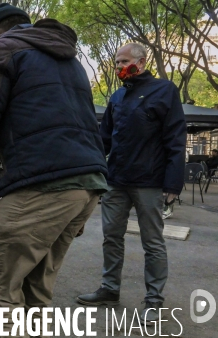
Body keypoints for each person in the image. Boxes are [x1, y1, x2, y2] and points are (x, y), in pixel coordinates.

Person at [0, 4, 108, 334]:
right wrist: (78, 200)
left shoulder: (2, 49)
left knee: (0, 288)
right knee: (36, 290)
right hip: (87, 184)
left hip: (40, 185)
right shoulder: (71, 62)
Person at [77, 43, 187, 325]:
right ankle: (109, 289)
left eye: (123, 61)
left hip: (150, 182)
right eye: (115, 63)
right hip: (116, 180)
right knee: (111, 237)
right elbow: (104, 141)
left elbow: (176, 139)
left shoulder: (165, 91)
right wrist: (88, 167)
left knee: (153, 243)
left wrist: (173, 184)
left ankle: (154, 301)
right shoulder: (116, 97)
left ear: (141, 60)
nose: (118, 67)